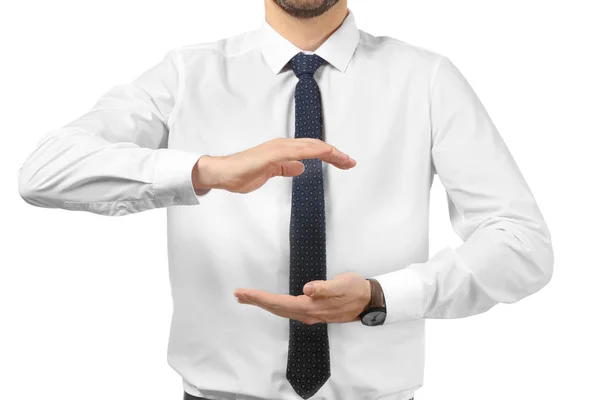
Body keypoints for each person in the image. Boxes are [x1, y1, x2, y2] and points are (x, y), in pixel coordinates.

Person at [16, 0, 554, 399]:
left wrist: (381, 296)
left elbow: (521, 243)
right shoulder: (186, 74)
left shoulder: (427, 78)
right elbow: (44, 171)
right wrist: (207, 170)